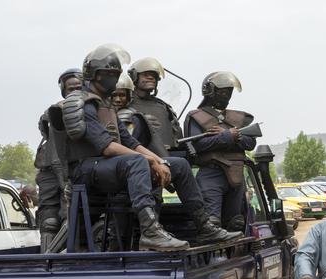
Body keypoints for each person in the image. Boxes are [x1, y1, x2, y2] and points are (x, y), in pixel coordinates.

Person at [62, 44, 240, 251]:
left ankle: (205, 227)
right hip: (86, 169)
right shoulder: (84, 104)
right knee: (137, 161)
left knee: (179, 165)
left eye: (115, 73)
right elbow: (108, 147)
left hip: (109, 165)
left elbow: (130, 142)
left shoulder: (106, 104)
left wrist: (158, 160)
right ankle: (150, 232)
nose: (113, 78)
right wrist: (151, 161)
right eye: (108, 74)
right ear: (94, 74)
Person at [183, 71, 257, 231]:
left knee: (236, 223)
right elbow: (196, 146)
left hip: (237, 174)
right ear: (210, 91)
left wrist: (234, 137)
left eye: (229, 91)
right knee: (212, 223)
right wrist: (226, 137)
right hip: (211, 173)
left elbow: (250, 142)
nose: (226, 95)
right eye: (222, 91)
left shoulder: (238, 118)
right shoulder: (197, 117)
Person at [34, 68, 82, 247]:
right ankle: (47, 260)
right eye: (71, 89)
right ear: (64, 90)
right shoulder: (53, 111)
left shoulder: (92, 108)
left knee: (70, 217)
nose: (75, 91)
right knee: (49, 221)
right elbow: (46, 128)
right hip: (51, 172)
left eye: (79, 87)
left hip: (76, 170)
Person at [127, 57, 182, 154]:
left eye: (154, 76)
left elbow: (178, 137)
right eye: (146, 75)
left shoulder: (164, 107)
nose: (151, 78)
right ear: (134, 76)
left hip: (169, 156)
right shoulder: (125, 103)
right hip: (138, 156)